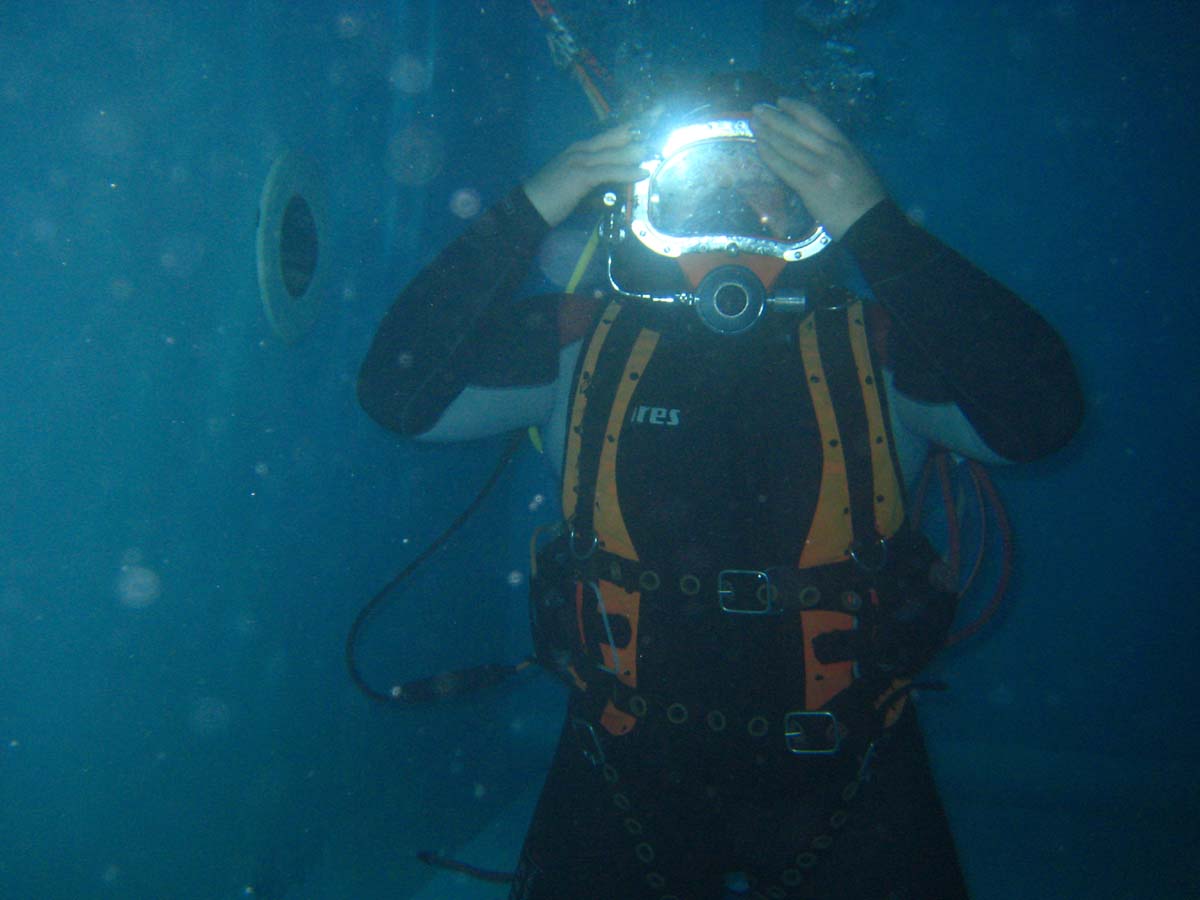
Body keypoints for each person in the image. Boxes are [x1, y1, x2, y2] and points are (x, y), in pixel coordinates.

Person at [358, 74, 1083, 900]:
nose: (736, 203)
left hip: (850, 770)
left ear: (815, 197)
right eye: (706, 177)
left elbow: (1040, 418)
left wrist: (875, 222)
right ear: (646, 195)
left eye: (767, 178)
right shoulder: (581, 341)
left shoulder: (877, 349)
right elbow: (397, 393)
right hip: (622, 764)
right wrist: (541, 197)